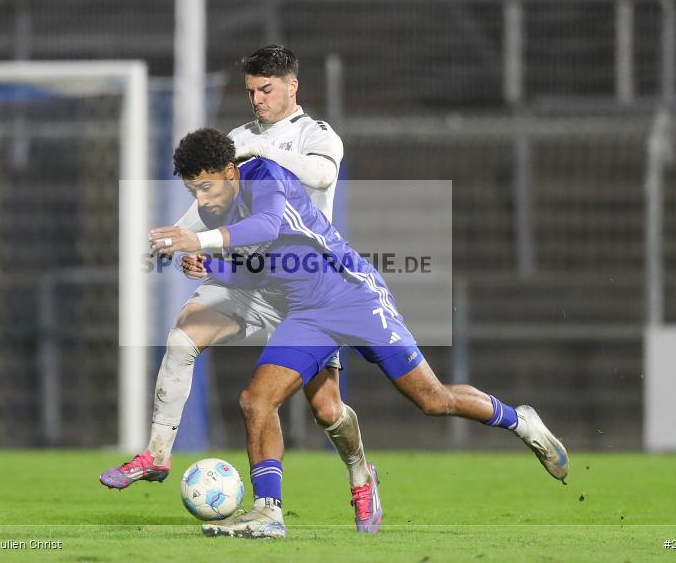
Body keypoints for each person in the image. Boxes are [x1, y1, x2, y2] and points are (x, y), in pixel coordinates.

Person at [149, 128, 569, 539]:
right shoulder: (224, 209)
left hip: (353, 297)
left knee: (431, 399)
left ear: (228, 169)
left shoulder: (264, 174)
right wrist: (214, 267)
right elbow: (270, 271)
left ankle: (521, 421)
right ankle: (267, 512)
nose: (202, 200)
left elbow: (270, 226)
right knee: (256, 400)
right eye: (194, 192)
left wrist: (199, 241)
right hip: (308, 314)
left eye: (205, 187)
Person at [100, 46, 382, 533]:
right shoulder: (237, 139)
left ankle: (361, 472)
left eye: (266, 89)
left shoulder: (317, 136)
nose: (257, 99)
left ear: (293, 86)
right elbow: (212, 203)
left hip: (305, 289)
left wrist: (266, 151)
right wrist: (181, 240)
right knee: (182, 337)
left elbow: (322, 175)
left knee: (326, 408)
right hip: (245, 277)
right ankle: (157, 454)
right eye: (251, 90)